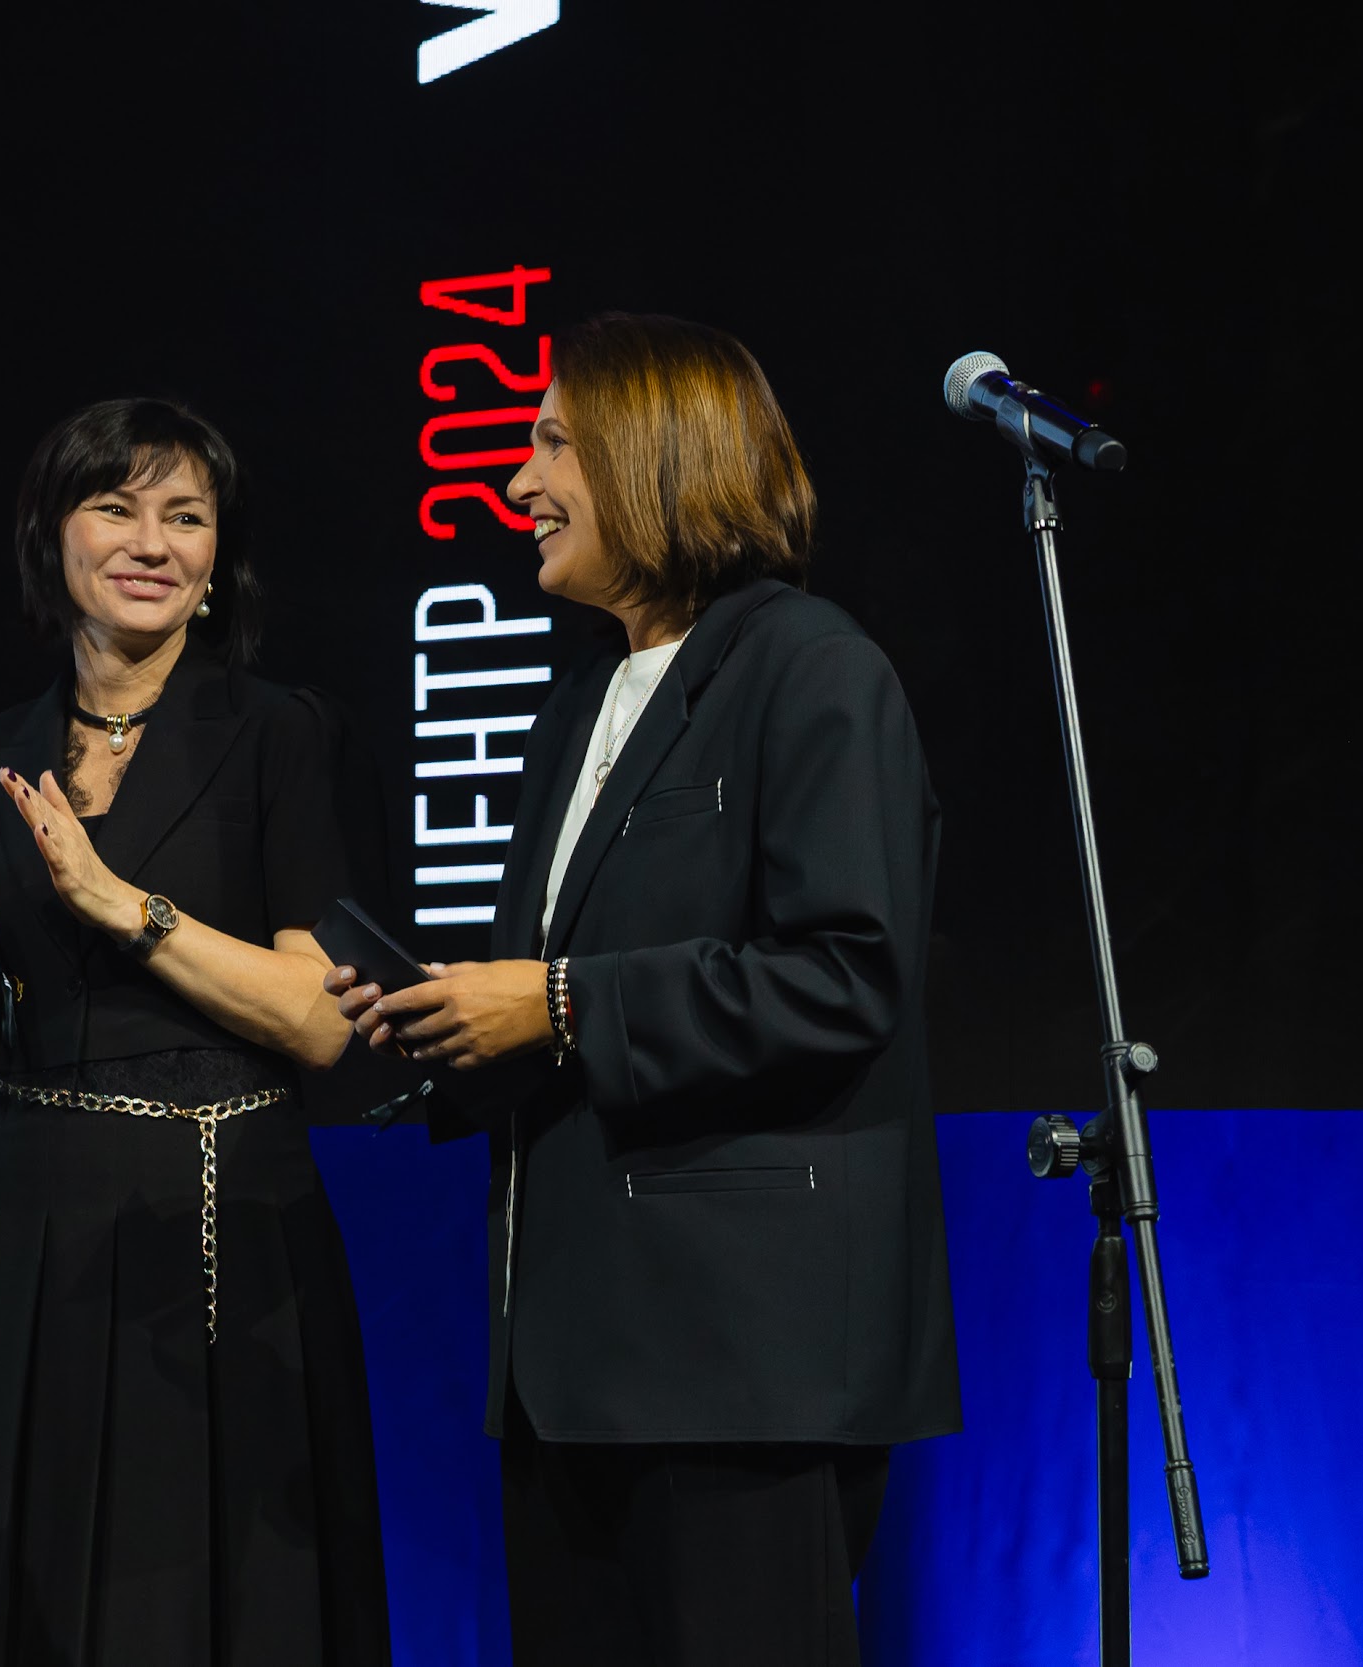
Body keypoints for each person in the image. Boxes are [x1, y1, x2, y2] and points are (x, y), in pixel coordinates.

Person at [328, 314, 960, 1665]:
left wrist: (558, 1002)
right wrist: (444, 1019)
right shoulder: (578, 703)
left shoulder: (812, 666)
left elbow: (845, 973)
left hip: (740, 1364)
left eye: (553, 443)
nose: (519, 482)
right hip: (570, 1368)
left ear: (654, 454)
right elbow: (556, 989)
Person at [0, 397, 391, 1666]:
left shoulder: (280, 733)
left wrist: (123, 905)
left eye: (186, 515)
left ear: (219, 558)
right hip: (31, 1230)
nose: (151, 542)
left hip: (224, 1225)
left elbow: (317, 1021)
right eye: (115, 506)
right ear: (50, 535)